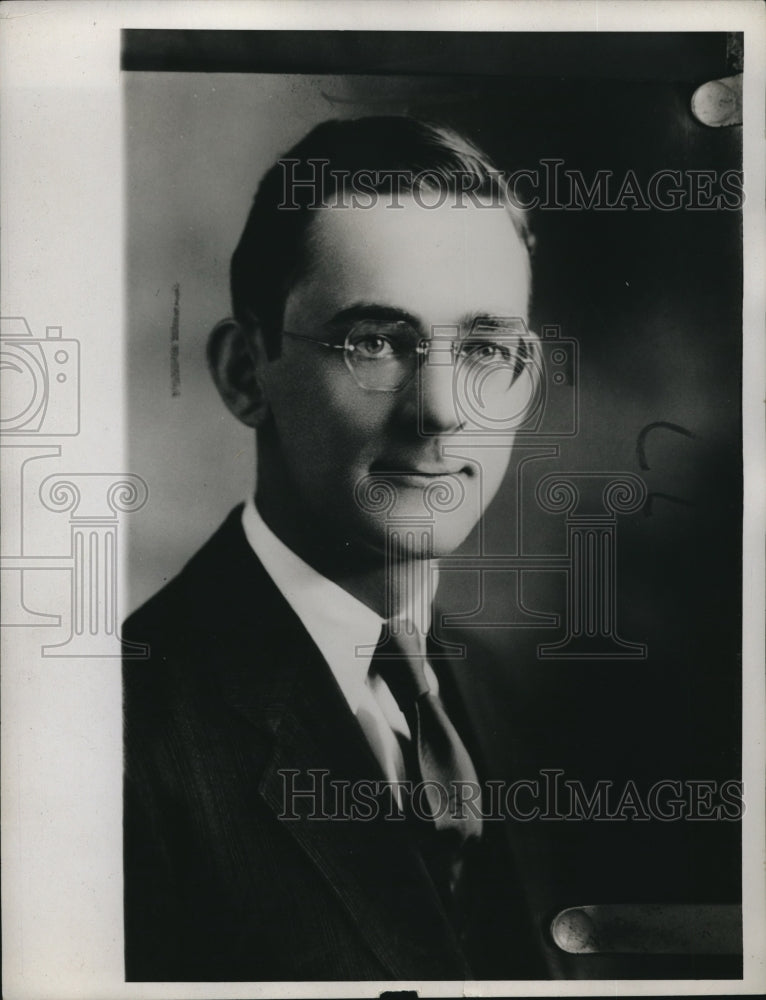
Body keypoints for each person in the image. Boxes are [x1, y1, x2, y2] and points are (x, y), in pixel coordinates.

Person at [122, 116, 547, 982]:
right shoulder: (125, 736)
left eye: (483, 348)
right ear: (246, 373)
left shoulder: (511, 693)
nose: (441, 412)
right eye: (376, 342)